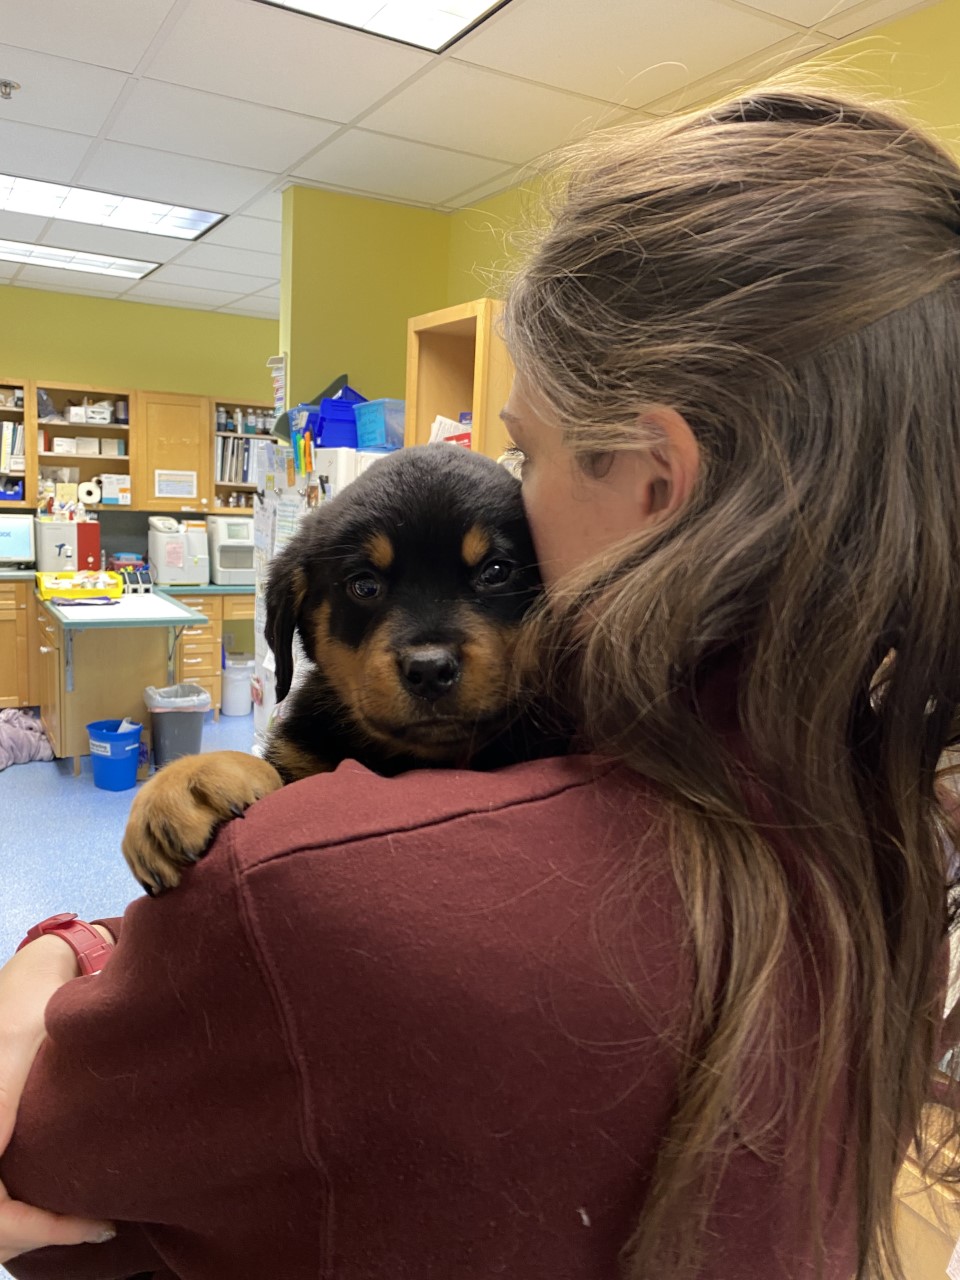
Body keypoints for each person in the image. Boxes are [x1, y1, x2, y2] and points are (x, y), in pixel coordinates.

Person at [2, 84, 960, 1280]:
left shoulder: (317, 887)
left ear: (658, 481)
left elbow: (45, 1196)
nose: (515, 488)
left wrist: (56, 953)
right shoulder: (886, 844)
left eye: (528, 451)